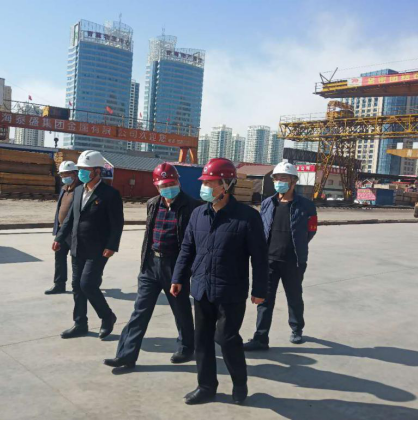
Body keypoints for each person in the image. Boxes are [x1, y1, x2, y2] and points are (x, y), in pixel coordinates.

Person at [170, 158, 269, 406]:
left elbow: (259, 257)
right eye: (204, 182)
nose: (205, 187)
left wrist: (260, 289)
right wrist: (178, 277)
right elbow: (187, 248)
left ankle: (239, 383)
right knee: (202, 340)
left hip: (230, 291)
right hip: (201, 288)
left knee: (226, 339)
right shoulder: (198, 214)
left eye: (210, 183)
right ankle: (206, 386)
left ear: (226, 185)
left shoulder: (247, 217)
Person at [104, 163, 201, 370]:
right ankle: (126, 355)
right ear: (157, 186)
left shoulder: (193, 207)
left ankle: (186, 346)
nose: (168, 188)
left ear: (178, 182)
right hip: (151, 265)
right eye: (164, 185)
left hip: (175, 266)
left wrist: (185, 271)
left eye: (172, 183)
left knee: (181, 309)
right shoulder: (153, 204)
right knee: (140, 311)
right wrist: (144, 265)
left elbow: (193, 242)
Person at [244, 161, 318, 352]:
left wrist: (297, 246)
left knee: (294, 297)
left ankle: (297, 329)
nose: (279, 182)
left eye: (283, 178)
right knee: (264, 300)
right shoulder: (268, 203)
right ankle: (260, 338)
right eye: (276, 179)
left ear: (294, 181)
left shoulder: (307, 206)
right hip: (268, 261)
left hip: (293, 261)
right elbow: (261, 229)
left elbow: (311, 231)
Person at [54, 150, 124, 341]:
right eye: (80, 169)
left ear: (97, 171)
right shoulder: (78, 191)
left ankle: (107, 316)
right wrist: (59, 238)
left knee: (88, 284)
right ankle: (80, 323)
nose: (82, 173)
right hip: (77, 246)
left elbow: (117, 224)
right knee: (77, 286)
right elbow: (70, 219)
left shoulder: (110, 194)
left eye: (86, 170)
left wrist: (112, 246)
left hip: (98, 249)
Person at [46, 161, 79, 295]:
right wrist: (57, 230)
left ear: (74, 174)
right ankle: (59, 284)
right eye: (62, 175)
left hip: (74, 232)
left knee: (77, 261)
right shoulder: (64, 189)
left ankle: (79, 286)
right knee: (59, 258)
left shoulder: (80, 190)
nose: (64, 177)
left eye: (66, 174)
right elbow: (59, 210)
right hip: (61, 231)